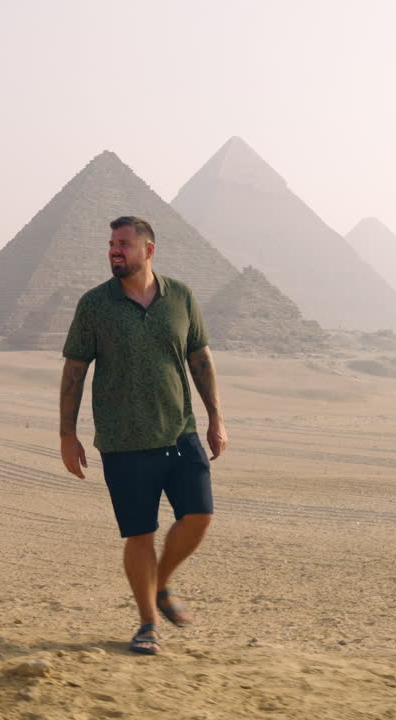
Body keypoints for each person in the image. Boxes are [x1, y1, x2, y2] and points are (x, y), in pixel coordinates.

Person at [58, 215, 228, 656]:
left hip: (180, 432)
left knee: (200, 516)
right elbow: (74, 370)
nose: (115, 250)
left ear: (149, 250)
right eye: (111, 244)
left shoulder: (181, 297)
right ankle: (148, 623)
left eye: (124, 244)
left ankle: (161, 582)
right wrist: (67, 435)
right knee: (139, 533)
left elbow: (200, 359)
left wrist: (216, 418)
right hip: (124, 441)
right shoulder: (95, 304)